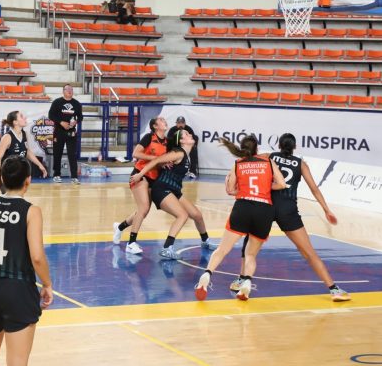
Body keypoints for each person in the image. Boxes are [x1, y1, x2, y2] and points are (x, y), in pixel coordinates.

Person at [229, 133, 351, 302]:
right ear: (295, 147)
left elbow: (248, 159)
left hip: (266, 207)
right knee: (309, 253)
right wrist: (326, 210)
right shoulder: (301, 164)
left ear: (278, 145)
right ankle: (334, 289)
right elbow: (314, 189)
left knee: (249, 248)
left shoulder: (269, 157)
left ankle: (241, 280)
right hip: (288, 211)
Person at [0, 156, 54, 366]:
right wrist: (47, 284)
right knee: (17, 361)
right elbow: (37, 257)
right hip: (18, 289)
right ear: (28, 180)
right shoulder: (31, 211)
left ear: (3, 179)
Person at [195, 135, 286, 301]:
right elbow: (281, 184)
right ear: (256, 148)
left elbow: (230, 190)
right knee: (250, 255)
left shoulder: (238, 164)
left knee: (222, 250)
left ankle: (207, 275)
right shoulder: (268, 162)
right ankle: (247, 283)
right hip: (263, 209)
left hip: (242, 207)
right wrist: (266, 187)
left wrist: (236, 187)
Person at [129, 129, 217, 260]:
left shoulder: (186, 154)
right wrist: (140, 174)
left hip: (174, 190)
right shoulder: (178, 153)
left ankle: (205, 241)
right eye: (186, 134)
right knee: (182, 215)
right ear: (181, 141)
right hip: (162, 189)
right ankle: (167, 248)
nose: (190, 135)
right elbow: (155, 161)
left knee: (197, 215)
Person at [112, 116, 168, 255]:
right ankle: (131, 243)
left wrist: (164, 163)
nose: (164, 121)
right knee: (143, 208)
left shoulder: (167, 142)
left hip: (154, 178)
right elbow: (135, 153)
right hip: (139, 174)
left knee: (144, 211)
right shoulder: (149, 137)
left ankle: (120, 227)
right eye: (161, 120)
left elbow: (161, 161)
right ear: (155, 126)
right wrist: (155, 159)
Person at [0, 111, 48, 193]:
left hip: (18, 173)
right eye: (21, 116)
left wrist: (40, 165)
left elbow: (27, 151)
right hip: (7, 174)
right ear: (15, 122)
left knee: (17, 198)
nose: (25, 118)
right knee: (8, 198)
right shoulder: (7, 137)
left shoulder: (24, 134)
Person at [47, 85, 82, 184]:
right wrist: (61, 122)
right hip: (59, 131)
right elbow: (51, 115)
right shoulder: (57, 102)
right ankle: (56, 175)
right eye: (68, 89)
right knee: (57, 153)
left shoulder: (76, 103)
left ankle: (74, 177)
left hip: (71, 132)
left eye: (71, 89)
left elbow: (80, 117)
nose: (70, 91)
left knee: (72, 154)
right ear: (63, 91)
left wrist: (75, 122)